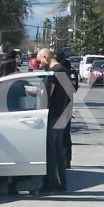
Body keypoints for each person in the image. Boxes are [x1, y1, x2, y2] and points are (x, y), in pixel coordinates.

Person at [35, 48, 71, 194]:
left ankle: (49, 185)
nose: (39, 64)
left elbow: (48, 94)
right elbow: (69, 93)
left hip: (53, 115)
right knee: (58, 152)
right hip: (63, 114)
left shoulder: (54, 72)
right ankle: (62, 183)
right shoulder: (64, 70)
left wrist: (35, 92)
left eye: (40, 61)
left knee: (50, 152)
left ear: (45, 57)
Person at [55, 51, 75, 169]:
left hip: (63, 104)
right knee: (65, 135)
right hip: (67, 104)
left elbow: (72, 88)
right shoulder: (69, 70)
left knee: (62, 135)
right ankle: (66, 160)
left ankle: (65, 160)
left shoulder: (62, 71)